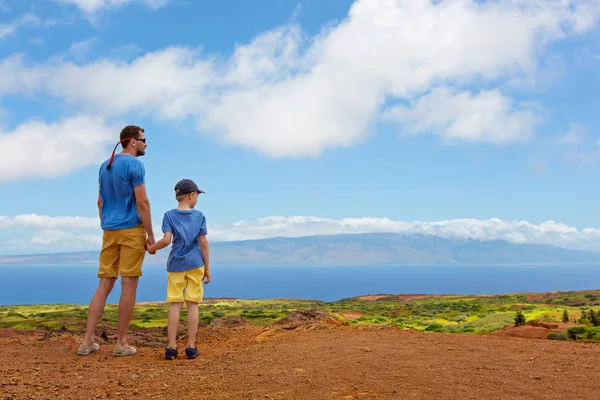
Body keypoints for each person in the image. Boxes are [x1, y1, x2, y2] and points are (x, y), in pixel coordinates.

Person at [77, 125, 154, 357]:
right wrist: (150, 235)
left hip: (109, 230)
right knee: (128, 284)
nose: (145, 144)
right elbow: (142, 202)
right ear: (132, 141)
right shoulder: (135, 165)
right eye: (143, 140)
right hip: (131, 230)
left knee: (104, 284)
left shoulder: (104, 165)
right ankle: (121, 344)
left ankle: (87, 341)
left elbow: (100, 202)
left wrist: (106, 223)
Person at [147, 178, 211, 360]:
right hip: (196, 264)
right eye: (197, 195)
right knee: (193, 305)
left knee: (175, 305)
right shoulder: (199, 216)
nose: (197, 198)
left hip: (175, 264)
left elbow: (166, 240)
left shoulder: (169, 215)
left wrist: (151, 248)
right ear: (191, 195)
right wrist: (207, 268)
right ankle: (190, 347)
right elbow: (204, 243)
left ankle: (171, 347)